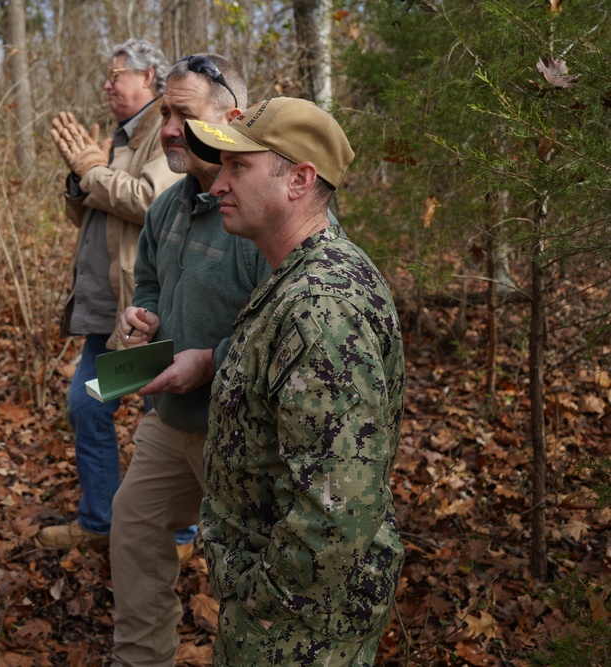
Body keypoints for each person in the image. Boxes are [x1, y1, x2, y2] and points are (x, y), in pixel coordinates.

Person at [185, 97, 405, 666]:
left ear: (299, 181)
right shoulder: (297, 279)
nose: (218, 184)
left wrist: (265, 604)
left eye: (239, 167)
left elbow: (336, 509)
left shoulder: (319, 307)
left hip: (296, 629)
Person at [109, 54, 273, 667]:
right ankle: (141, 657)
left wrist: (212, 361)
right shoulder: (167, 206)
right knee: (134, 524)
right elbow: (149, 281)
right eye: (165, 115)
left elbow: (290, 327)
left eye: (185, 115)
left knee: (246, 569)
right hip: (170, 418)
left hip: (240, 433)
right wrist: (144, 317)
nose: (170, 129)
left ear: (232, 117)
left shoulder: (264, 206)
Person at [37, 38, 183, 550]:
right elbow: (91, 212)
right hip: (107, 316)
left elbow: (149, 200)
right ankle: (100, 522)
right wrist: (80, 180)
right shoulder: (120, 137)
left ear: (148, 77)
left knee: (160, 419)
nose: (107, 84)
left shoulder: (165, 131)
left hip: (145, 316)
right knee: (89, 406)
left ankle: (180, 534)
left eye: (116, 75)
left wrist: (92, 172)